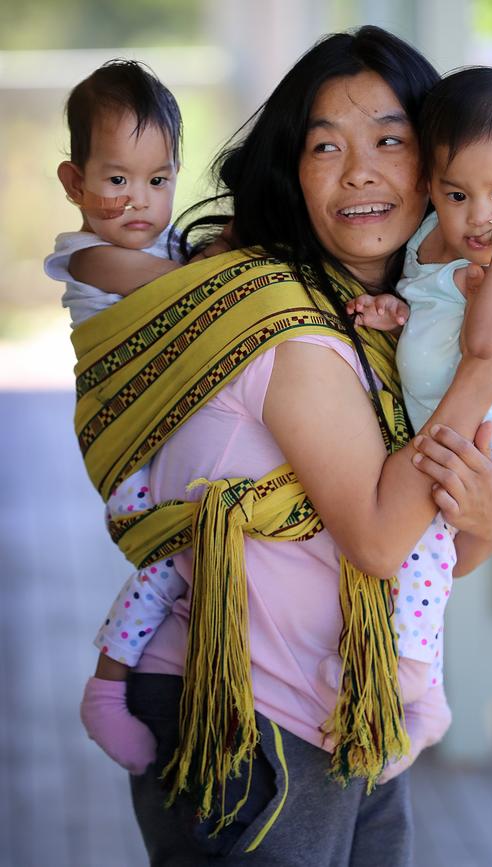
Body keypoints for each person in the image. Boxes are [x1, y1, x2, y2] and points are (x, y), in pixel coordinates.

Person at [70, 26, 492, 866]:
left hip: (351, 709)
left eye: (390, 141)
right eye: (324, 145)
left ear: (439, 168)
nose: (359, 169)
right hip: (244, 715)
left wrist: (485, 518)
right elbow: (376, 536)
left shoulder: (402, 329)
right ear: (293, 171)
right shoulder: (281, 320)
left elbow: (435, 546)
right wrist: (491, 367)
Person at [341, 66, 492, 748]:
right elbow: (434, 311)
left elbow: (487, 343)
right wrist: (394, 310)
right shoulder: (425, 245)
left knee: (423, 531)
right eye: (456, 194)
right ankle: (425, 688)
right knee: (421, 529)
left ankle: (415, 670)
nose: (479, 216)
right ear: (429, 189)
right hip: (469, 438)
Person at [44, 59, 228, 773]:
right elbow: (183, 286)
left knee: (184, 560)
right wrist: (231, 258)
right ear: (73, 182)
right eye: (118, 179)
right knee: (170, 561)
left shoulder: (167, 247)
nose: (140, 201)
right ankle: (108, 686)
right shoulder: (89, 256)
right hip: (123, 440)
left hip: (164, 435)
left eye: (159, 180)